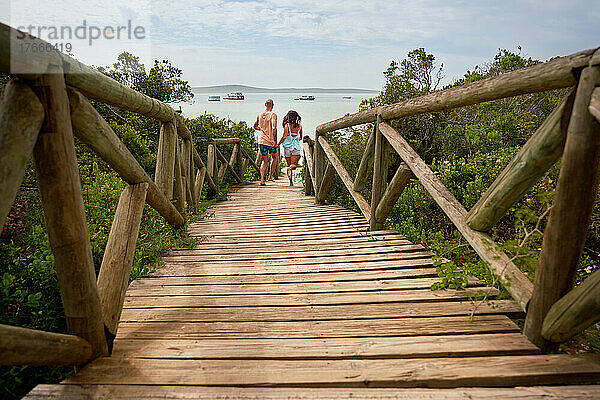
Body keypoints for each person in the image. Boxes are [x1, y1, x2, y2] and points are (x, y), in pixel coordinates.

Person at [253, 99, 278, 185]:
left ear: (265, 104)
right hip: (270, 141)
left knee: (264, 160)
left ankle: (262, 180)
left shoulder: (260, 115)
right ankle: (270, 176)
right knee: (274, 157)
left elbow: (255, 126)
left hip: (262, 140)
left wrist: (261, 129)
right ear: (273, 105)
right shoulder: (273, 115)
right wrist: (275, 141)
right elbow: (274, 128)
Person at [277, 110, 303, 186]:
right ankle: (289, 171)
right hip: (295, 147)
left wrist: (278, 144)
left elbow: (284, 136)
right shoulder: (299, 127)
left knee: (289, 165)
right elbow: (300, 137)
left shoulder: (287, 126)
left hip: (287, 148)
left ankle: (291, 182)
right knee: (294, 166)